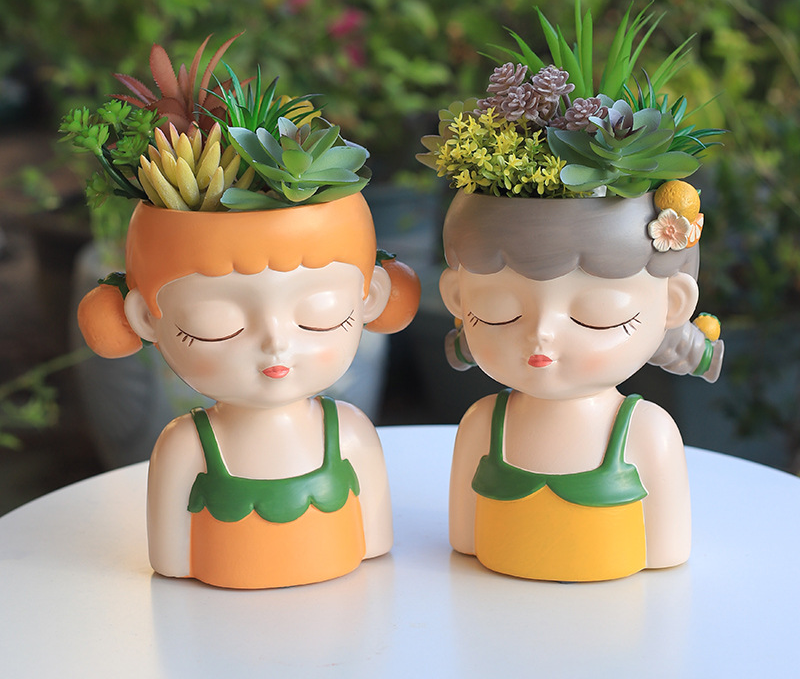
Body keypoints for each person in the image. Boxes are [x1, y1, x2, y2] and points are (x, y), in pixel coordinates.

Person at [77, 192, 418, 588]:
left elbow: (375, 540)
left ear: (369, 299)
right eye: (218, 324)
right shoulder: (186, 444)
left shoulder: (350, 431)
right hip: (217, 613)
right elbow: (170, 560)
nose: (276, 344)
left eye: (319, 314)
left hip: (345, 601)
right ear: (145, 319)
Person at [438, 191, 723, 582]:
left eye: (597, 315)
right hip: (489, 603)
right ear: (457, 297)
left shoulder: (647, 431)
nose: (541, 334)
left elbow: (666, 550)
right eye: (499, 311)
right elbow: (463, 539)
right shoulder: (482, 423)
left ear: (672, 304)